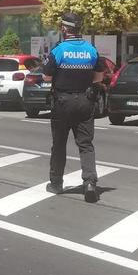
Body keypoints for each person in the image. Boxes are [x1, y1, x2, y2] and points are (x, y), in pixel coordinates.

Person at [43, 12, 106, 203]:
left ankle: (56, 183)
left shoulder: (59, 50)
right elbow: (99, 77)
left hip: (62, 102)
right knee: (86, 145)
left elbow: (46, 76)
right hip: (86, 102)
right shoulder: (91, 49)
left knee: (59, 145)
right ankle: (89, 183)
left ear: (64, 29)